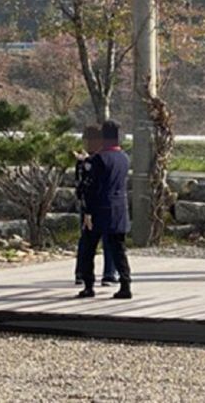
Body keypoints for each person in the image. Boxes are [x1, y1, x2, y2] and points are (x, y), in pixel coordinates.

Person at [77, 120, 132, 299]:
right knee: (118, 248)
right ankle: (125, 283)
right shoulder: (124, 157)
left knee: (88, 248)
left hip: (100, 209)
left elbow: (91, 188)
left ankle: (88, 285)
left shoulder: (99, 159)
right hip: (119, 208)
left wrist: (87, 212)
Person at [73, 125, 118, 286]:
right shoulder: (90, 160)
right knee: (91, 240)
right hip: (94, 204)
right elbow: (81, 184)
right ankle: (85, 273)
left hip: (96, 204)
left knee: (103, 239)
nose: (88, 143)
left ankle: (107, 273)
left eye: (92, 139)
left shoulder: (100, 158)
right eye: (87, 139)